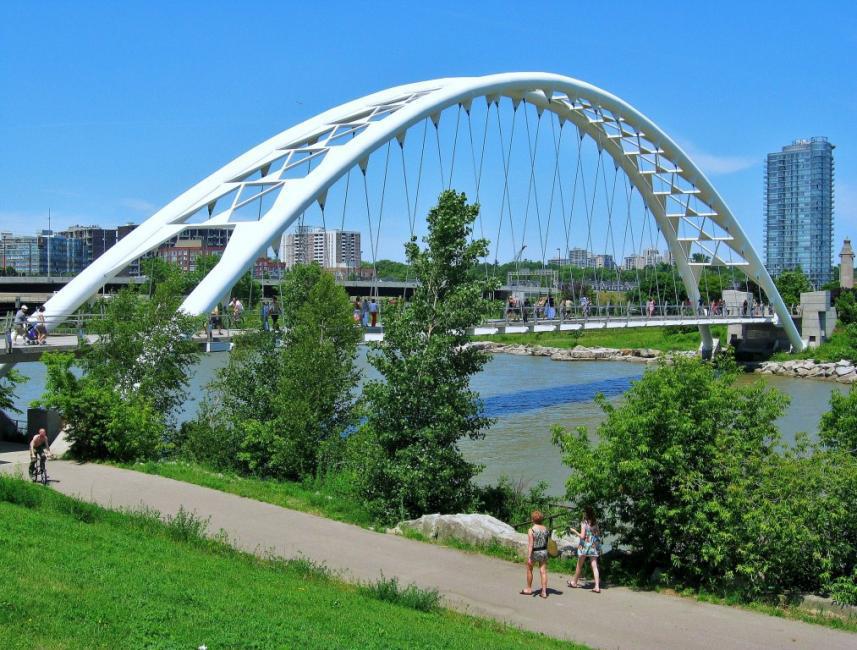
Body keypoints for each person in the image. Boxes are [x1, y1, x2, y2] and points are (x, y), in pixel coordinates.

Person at [567, 507, 601, 593]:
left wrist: (574, 531)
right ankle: (597, 586)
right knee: (594, 566)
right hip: (594, 545)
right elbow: (598, 533)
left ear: (585, 514)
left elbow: (582, 536)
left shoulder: (584, 523)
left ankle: (574, 582)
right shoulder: (595, 522)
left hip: (585, 546)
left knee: (579, 565)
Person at [521, 510, 550, 598]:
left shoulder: (531, 530)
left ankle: (529, 589)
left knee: (529, 569)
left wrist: (529, 557)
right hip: (544, 551)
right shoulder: (545, 529)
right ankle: (544, 592)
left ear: (532, 519)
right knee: (543, 571)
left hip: (535, 552)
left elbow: (530, 545)